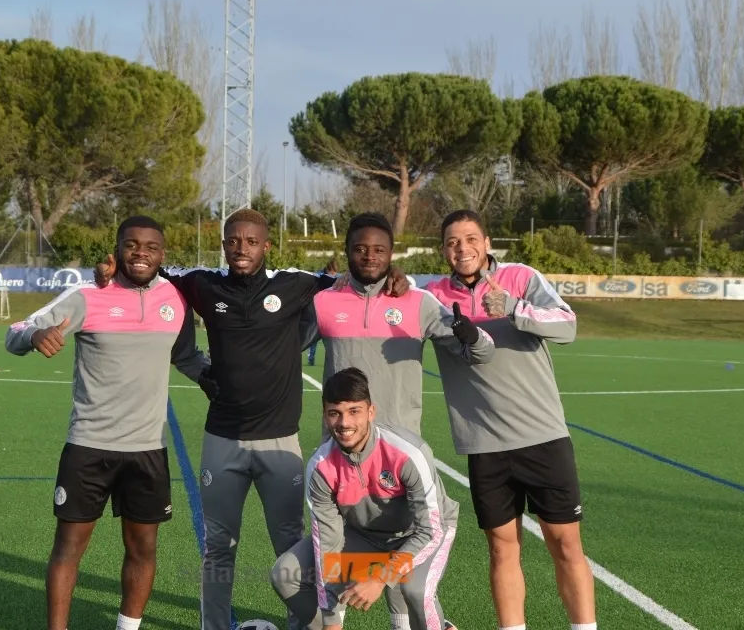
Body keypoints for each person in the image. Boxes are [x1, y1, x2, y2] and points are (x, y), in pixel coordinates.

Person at [91, 209, 411, 630]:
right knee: (219, 546)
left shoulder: (294, 283)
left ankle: (310, 625)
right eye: (234, 241)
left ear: (266, 244)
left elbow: (355, 277)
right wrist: (110, 270)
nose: (242, 248)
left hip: (280, 443)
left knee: (293, 542)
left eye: (251, 241)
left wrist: (396, 274)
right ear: (224, 244)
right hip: (222, 438)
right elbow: (148, 270)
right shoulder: (202, 283)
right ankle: (215, 626)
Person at [5, 216, 214, 630]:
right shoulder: (88, 295)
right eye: (132, 245)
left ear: (162, 254)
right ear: (116, 249)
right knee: (68, 548)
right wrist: (33, 338)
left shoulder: (175, 299)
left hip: (147, 449)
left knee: (142, 549)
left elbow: (187, 357)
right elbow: (16, 331)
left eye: (150, 247)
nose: (141, 253)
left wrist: (224, 383)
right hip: (89, 445)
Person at [422, 209, 596, 630]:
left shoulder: (521, 277)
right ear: (443, 250)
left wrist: (515, 307)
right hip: (484, 445)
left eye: (469, 239)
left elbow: (567, 325)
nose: (461, 248)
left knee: (566, 545)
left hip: (542, 436)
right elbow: (381, 279)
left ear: (486, 242)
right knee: (502, 549)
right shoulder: (434, 294)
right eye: (451, 241)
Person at [270, 367, 460, 630]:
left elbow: (431, 528)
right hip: (364, 536)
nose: (344, 423)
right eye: (335, 413)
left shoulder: (408, 453)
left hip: (419, 535)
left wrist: (382, 577)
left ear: (371, 412)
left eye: (354, 411)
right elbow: (328, 545)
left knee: (416, 592)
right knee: (285, 574)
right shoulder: (322, 466)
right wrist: (331, 621)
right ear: (325, 416)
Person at [306, 212, 495, 437]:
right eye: (360, 249)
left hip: (401, 445)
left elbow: (483, 353)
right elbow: (282, 346)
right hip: (341, 442)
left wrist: (473, 336)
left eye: (379, 250)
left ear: (391, 254)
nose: (369, 257)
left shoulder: (419, 302)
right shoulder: (323, 301)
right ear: (347, 251)